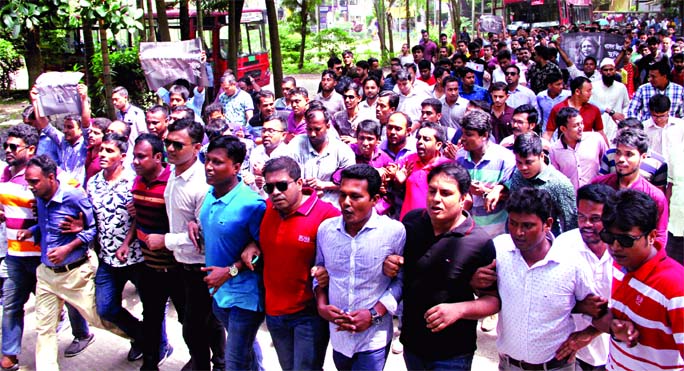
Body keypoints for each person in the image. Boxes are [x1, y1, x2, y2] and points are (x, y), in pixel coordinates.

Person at [384, 163, 499, 370]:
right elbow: (401, 266)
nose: (436, 199)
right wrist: (391, 263)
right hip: (412, 343)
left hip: (452, 352)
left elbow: (492, 301)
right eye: (432, 191)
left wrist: (459, 309)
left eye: (446, 193)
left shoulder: (478, 242)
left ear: (463, 199)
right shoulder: (412, 222)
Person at [472, 188, 599, 371]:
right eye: (513, 223)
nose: (518, 232)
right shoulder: (499, 249)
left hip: (556, 367)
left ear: (547, 224)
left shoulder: (572, 263)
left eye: (527, 226)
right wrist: (476, 284)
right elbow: (487, 292)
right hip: (509, 366)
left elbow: (599, 311)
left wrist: (586, 335)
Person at [18, 155, 126, 370]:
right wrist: (30, 231)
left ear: (51, 177)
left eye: (34, 182)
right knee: (45, 329)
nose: (30, 187)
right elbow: (47, 225)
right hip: (47, 274)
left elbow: (94, 230)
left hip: (76, 273)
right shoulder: (40, 197)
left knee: (99, 319)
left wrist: (68, 247)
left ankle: (142, 338)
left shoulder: (74, 197)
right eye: (28, 181)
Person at [0, 127, 92, 371]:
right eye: (6, 146)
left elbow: (73, 195)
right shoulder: (4, 176)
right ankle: (9, 355)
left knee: (75, 303)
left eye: (13, 146)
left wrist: (80, 224)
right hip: (15, 253)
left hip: (44, 255)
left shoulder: (50, 174)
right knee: (13, 305)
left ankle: (82, 333)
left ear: (30, 150)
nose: (7, 151)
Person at [241, 156, 339, 370]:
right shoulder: (267, 209)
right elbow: (260, 236)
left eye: (282, 185)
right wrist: (252, 243)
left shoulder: (327, 215)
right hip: (274, 313)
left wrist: (326, 272)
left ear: (300, 183)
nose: (275, 192)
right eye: (269, 187)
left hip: (308, 315)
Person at [145, 119, 225, 370]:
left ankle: (215, 363)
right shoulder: (173, 174)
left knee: (197, 326)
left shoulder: (202, 185)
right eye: (167, 142)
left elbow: (203, 238)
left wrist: (165, 240)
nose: (169, 148)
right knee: (195, 323)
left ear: (197, 147)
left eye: (177, 145)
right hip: (179, 263)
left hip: (201, 267)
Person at [314, 164, 405, 370]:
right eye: (343, 195)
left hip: (374, 338)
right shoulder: (326, 230)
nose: (346, 203)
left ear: (374, 200)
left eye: (355, 197)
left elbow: (400, 281)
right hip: (339, 336)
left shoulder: (393, 231)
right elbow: (319, 271)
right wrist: (321, 305)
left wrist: (374, 314)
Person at [193, 135, 266, 371]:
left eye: (217, 162)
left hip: (246, 296)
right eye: (208, 160)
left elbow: (263, 251)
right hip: (218, 294)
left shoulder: (252, 204)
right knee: (246, 352)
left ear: (236, 167)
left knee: (234, 363)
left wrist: (230, 270)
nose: (209, 167)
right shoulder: (210, 195)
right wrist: (194, 225)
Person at [591, 190, 684, 370]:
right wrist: (613, 326)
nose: (615, 247)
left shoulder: (676, 287)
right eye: (609, 237)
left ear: (651, 236)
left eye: (626, 240)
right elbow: (599, 317)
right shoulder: (617, 266)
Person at [86, 133, 148, 364]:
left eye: (109, 151)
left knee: (151, 307)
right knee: (105, 308)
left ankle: (158, 345)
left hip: (136, 257)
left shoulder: (135, 181)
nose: (102, 154)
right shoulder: (93, 182)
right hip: (107, 257)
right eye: (101, 149)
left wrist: (126, 242)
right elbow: (91, 215)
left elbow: (138, 216)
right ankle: (141, 335)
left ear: (122, 156)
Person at [553, 184, 616, 370]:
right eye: (581, 217)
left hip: (617, 350)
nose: (586, 224)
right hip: (572, 350)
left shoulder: (624, 251)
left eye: (595, 219)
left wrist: (591, 332)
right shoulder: (564, 245)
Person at [130, 134, 178, 369]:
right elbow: (138, 217)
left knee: (190, 321)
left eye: (141, 156)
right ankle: (149, 364)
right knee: (150, 317)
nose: (135, 161)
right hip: (149, 266)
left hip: (177, 267)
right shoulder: (137, 181)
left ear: (158, 157)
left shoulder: (172, 183)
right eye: (134, 156)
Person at [591, 128, 670, 248]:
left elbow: (659, 236)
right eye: (618, 153)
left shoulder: (654, 196)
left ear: (643, 157)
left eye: (629, 154)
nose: (621, 159)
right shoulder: (599, 185)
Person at [456, 111, 516, 236]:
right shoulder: (460, 157)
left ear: (484, 135)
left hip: (497, 231)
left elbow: (512, 194)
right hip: (467, 230)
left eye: (468, 134)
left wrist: (485, 192)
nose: (462, 138)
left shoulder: (506, 158)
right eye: (462, 133)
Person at [288, 103, 356, 207]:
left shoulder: (342, 150)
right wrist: (305, 184)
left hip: (333, 205)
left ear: (328, 126)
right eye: (309, 129)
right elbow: (286, 174)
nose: (312, 134)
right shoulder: (296, 144)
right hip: (302, 201)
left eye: (317, 129)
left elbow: (352, 182)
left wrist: (324, 185)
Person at [509, 133, 578, 236]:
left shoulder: (560, 184)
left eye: (528, 162)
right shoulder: (517, 176)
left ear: (541, 156)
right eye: (519, 162)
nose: (523, 168)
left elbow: (570, 225)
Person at [396, 122, 451, 220]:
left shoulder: (447, 167)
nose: (420, 142)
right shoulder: (409, 160)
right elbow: (389, 169)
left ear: (438, 145)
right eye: (419, 138)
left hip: (435, 225)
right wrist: (397, 180)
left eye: (426, 139)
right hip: (408, 224)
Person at [549, 107, 608, 191]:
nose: (581, 128)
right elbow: (556, 179)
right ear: (563, 129)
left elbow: (607, 164)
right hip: (571, 199)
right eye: (576, 125)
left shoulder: (596, 139)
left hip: (596, 196)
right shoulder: (554, 150)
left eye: (581, 123)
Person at [544, 77, 607, 144]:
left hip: (587, 151)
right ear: (577, 91)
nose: (590, 93)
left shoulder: (594, 110)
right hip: (564, 151)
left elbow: (600, 134)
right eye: (588, 91)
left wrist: (608, 152)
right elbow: (548, 133)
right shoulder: (558, 108)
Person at [243, 115, 290, 197]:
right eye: (263, 130)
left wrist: (265, 173)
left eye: (271, 131)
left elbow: (289, 185)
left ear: (283, 135)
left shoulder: (289, 154)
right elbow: (253, 182)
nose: (266, 134)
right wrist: (252, 180)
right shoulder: (256, 152)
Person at [590, 58, 630, 141]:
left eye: (611, 69)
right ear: (600, 71)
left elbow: (626, 105)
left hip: (615, 126)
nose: (608, 72)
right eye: (606, 70)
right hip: (597, 126)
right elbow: (589, 103)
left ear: (615, 70)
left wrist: (623, 120)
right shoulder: (593, 86)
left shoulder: (621, 87)